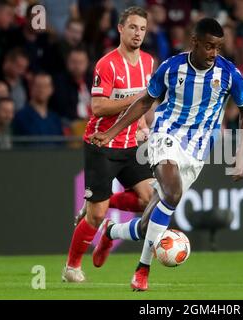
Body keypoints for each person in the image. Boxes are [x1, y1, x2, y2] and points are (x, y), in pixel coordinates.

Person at [89, 18, 243, 291]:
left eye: (218, 47)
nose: (214, 53)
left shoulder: (228, 74)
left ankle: (110, 232)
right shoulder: (171, 67)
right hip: (166, 136)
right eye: (209, 46)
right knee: (173, 193)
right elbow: (145, 101)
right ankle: (142, 271)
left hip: (196, 153)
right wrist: (111, 132)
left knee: (146, 226)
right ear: (195, 43)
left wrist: (240, 155)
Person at [62, 7, 157, 283]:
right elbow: (98, 107)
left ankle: (102, 217)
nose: (137, 33)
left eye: (142, 28)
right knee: (97, 215)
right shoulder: (107, 64)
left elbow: (147, 103)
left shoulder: (149, 63)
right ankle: (72, 266)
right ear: (120, 28)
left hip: (131, 146)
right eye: (132, 27)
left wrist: (142, 125)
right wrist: (135, 99)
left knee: (149, 201)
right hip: (101, 144)